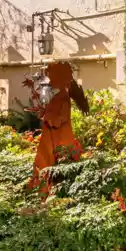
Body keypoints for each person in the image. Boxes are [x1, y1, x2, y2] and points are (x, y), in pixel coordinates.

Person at [29, 62, 89, 191]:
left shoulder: (61, 97)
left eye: (50, 74)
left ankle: (45, 192)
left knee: (50, 165)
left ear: (59, 76)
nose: (49, 78)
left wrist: (46, 117)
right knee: (53, 166)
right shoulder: (61, 95)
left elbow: (57, 120)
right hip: (57, 137)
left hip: (57, 138)